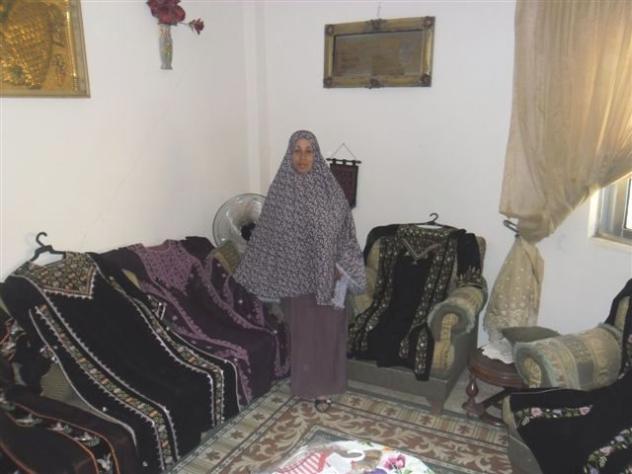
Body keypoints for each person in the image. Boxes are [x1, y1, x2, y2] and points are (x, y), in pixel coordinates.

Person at [234, 130, 366, 412]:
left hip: (329, 278)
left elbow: (347, 235)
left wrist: (342, 268)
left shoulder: (331, 192)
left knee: (328, 334)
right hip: (294, 279)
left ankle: (328, 386)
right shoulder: (280, 193)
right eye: (297, 150)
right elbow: (266, 236)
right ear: (289, 155)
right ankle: (306, 387)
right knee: (304, 335)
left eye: (308, 151)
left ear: (316, 155)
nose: (302, 157)